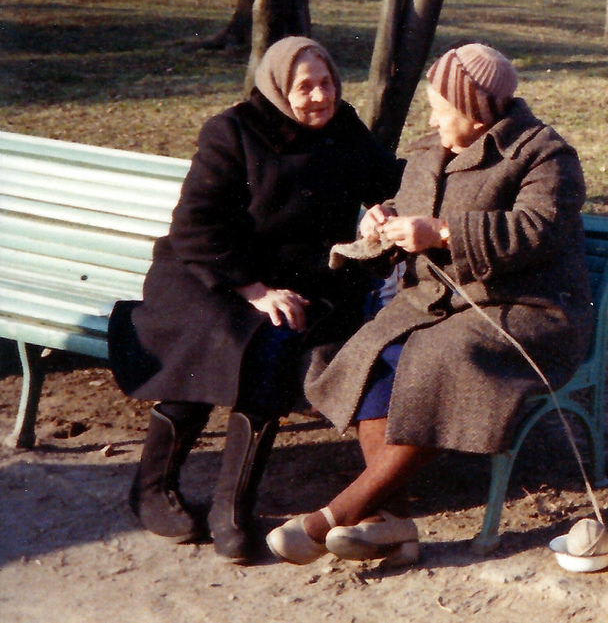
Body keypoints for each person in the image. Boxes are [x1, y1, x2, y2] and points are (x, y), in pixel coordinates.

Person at [273, 44, 593, 565]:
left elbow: (539, 230)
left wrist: (443, 233)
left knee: (440, 359)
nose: (431, 118)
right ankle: (389, 523)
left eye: (439, 108)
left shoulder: (543, 154)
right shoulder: (430, 151)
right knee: (373, 354)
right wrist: (382, 220)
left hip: (525, 310)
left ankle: (334, 516)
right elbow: (413, 208)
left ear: (474, 110)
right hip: (440, 301)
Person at [108, 37, 402, 561]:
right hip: (210, 272)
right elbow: (194, 227)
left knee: (275, 342)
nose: (319, 97)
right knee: (214, 340)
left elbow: (389, 179)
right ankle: (153, 487)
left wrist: (385, 207)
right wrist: (254, 290)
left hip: (298, 279)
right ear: (277, 89)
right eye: (304, 87)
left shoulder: (343, 127)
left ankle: (231, 507)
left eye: (327, 83)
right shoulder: (233, 132)